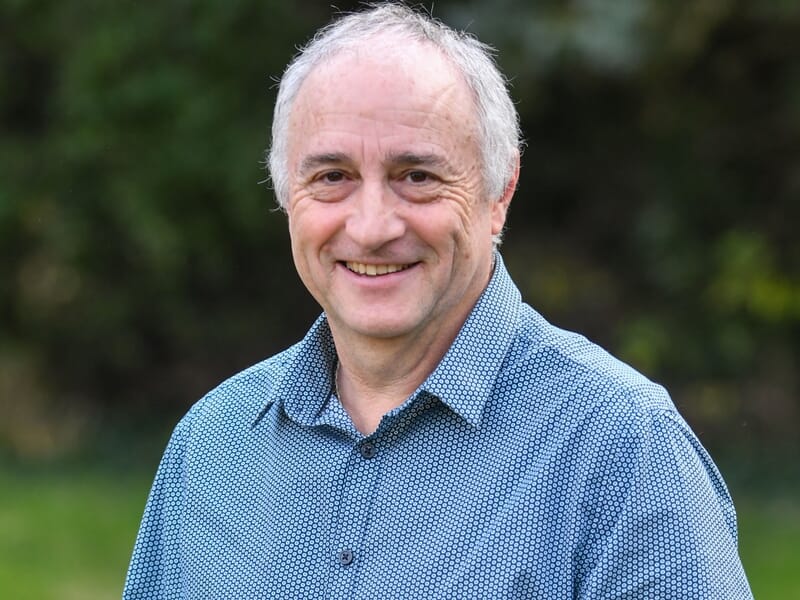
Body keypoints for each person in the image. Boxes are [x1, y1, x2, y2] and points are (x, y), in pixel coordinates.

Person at [123, 4, 753, 598]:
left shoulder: (622, 446)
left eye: (417, 177)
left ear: (500, 194)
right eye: (332, 177)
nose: (372, 227)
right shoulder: (211, 445)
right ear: (287, 194)